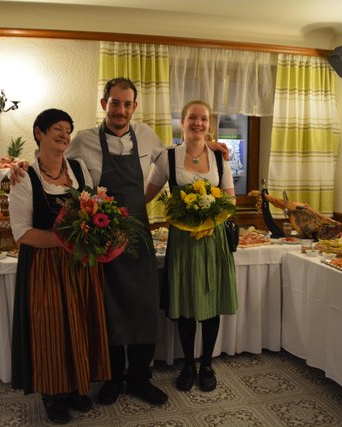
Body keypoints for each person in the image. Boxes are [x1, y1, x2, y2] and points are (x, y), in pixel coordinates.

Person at [10, 78, 229, 406]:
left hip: (138, 237)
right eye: (115, 103)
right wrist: (19, 165)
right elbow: (51, 160)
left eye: (127, 104)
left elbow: (179, 155)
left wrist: (211, 144)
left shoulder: (147, 136)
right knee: (108, 310)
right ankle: (112, 379)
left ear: (135, 107)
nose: (121, 110)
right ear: (104, 105)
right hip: (102, 239)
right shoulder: (82, 141)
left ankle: (140, 378)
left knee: (143, 310)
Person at [9, 109, 111, 424]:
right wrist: (66, 240)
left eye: (68, 130)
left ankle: (77, 387)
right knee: (51, 329)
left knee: (80, 323)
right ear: (38, 132)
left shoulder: (79, 169)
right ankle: (52, 396)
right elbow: (22, 233)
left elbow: (96, 208)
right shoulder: (24, 176)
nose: (65, 135)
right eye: (57, 128)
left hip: (81, 264)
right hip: (45, 265)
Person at [144, 100, 238, 392]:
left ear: (209, 124)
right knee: (185, 304)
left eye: (204, 119)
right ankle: (188, 364)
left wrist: (210, 212)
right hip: (182, 241)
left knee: (210, 304)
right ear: (182, 122)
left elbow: (231, 199)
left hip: (212, 238)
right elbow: (146, 195)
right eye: (192, 118)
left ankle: (207, 364)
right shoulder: (167, 157)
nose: (198, 123)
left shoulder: (220, 157)